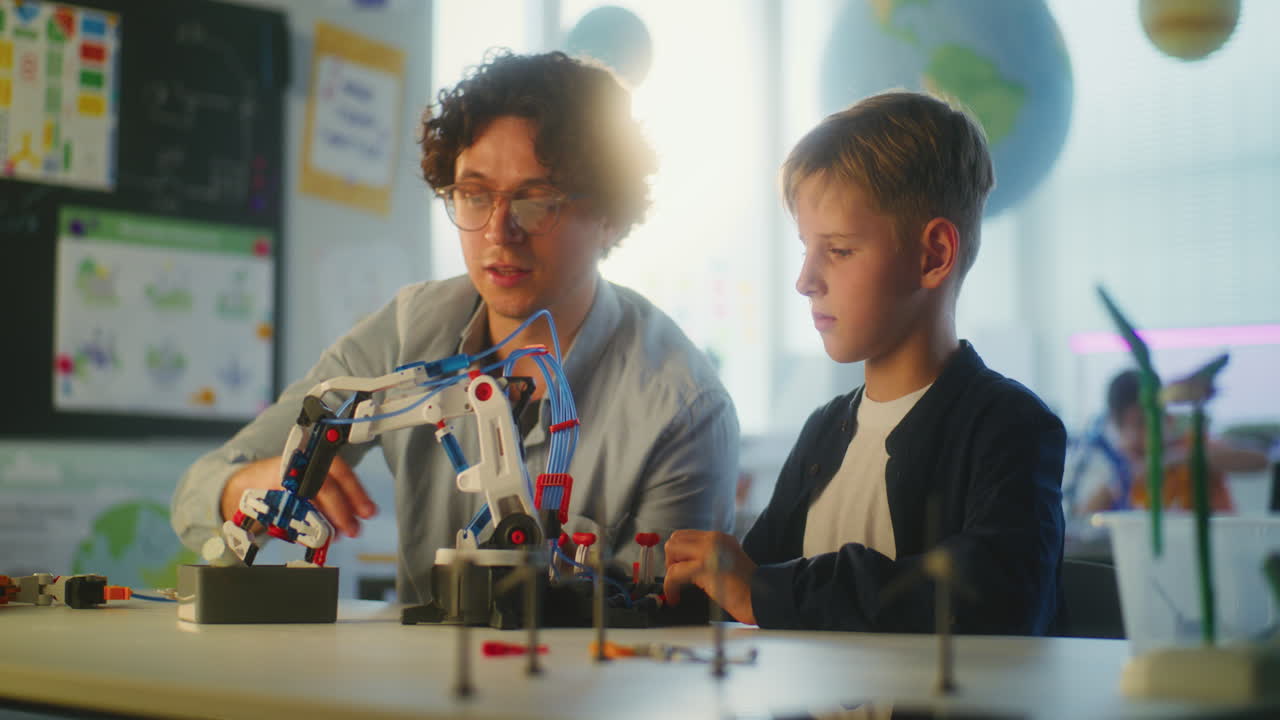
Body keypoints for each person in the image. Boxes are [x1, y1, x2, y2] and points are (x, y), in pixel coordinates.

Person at [171, 50, 739, 602]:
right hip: (419, 692)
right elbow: (197, 489)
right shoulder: (406, 333)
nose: (498, 231)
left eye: (536, 200)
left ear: (608, 218)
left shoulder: (680, 405)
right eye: (473, 194)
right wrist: (243, 488)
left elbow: (667, 633)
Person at [662, 91, 1066, 634]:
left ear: (933, 256)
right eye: (806, 247)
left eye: (839, 250)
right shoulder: (824, 431)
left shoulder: (1009, 428)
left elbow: (987, 596)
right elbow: (751, 595)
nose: (804, 280)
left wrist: (761, 590)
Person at [1066, 368, 1268, 517]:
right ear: (1118, 427)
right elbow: (1082, 519)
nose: (1142, 434)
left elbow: (1260, 461)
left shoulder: (1190, 442)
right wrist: (1117, 483)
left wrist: (1178, 457)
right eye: (1135, 425)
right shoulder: (1117, 462)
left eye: (1148, 421)